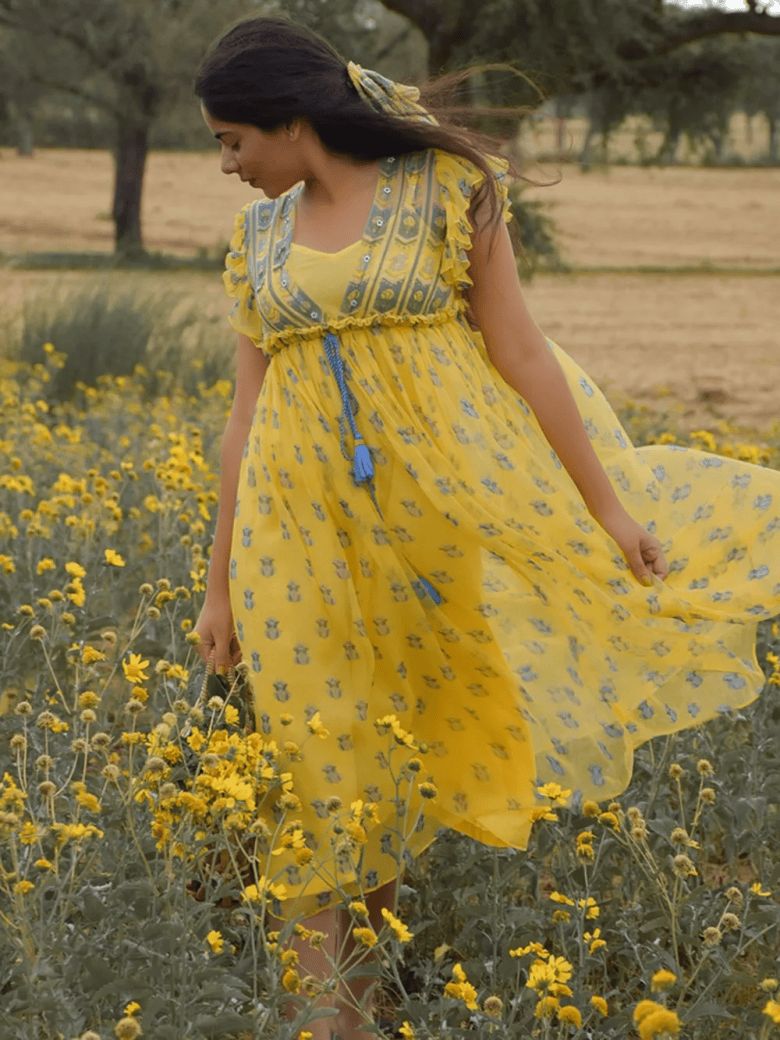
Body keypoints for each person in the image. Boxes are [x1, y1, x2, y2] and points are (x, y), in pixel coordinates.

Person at [193, 16, 780, 1039]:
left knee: (391, 759)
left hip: (429, 520)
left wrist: (605, 505)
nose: (229, 165)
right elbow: (242, 424)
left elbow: (523, 353)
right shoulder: (258, 241)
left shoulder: (442, 194)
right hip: (296, 530)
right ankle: (327, 1018)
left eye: (234, 141)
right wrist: (218, 584)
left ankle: (364, 998)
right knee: (314, 755)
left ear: (292, 120)